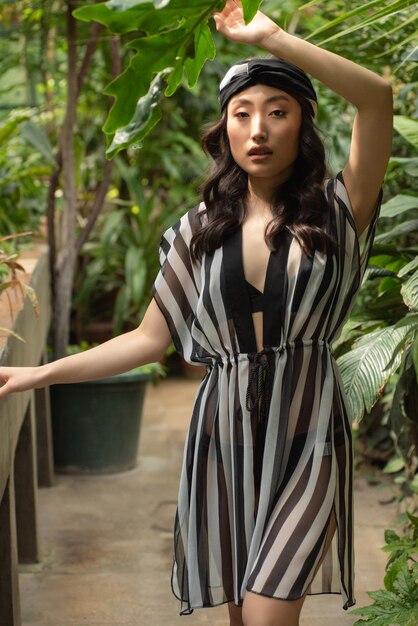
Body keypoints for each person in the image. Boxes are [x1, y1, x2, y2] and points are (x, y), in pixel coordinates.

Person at [0, 2, 392, 625]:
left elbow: (376, 98)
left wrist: (271, 38)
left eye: (277, 112)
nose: (258, 129)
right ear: (226, 129)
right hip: (222, 441)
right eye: (243, 114)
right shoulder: (198, 231)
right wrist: (36, 375)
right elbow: (148, 340)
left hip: (307, 438)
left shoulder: (339, 211)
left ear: (303, 126)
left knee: (267, 615)